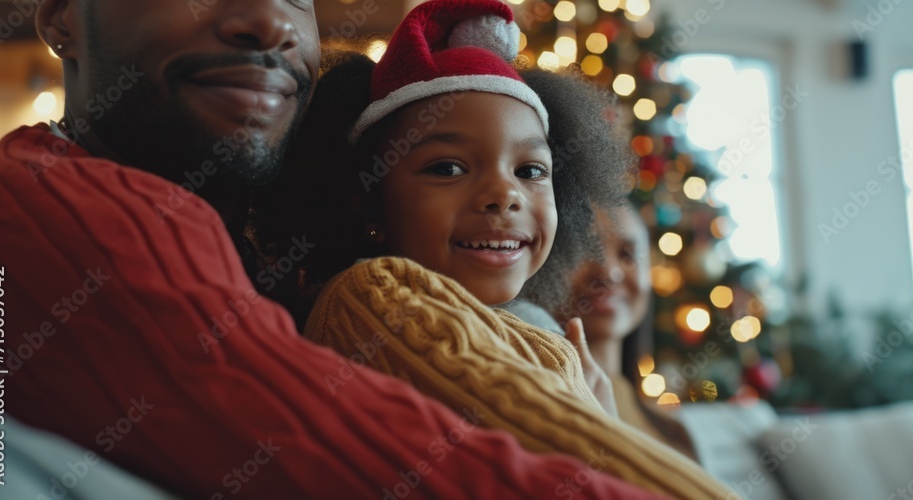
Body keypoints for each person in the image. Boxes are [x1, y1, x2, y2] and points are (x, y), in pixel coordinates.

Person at [0, 0, 662, 497]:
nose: (270, 22)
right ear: (62, 16)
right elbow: (339, 445)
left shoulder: (260, 261)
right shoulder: (47, 213)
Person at [252, 1, 732, 497]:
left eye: (530, 171)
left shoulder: (530, 321)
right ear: (368, 206)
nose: (505, 195)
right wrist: (599, 424)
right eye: (448, 168)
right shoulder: (369, 297)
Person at [558, 204, 701, 461]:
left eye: (627, 255)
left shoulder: (674, 432)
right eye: (585, 250)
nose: (609, 272)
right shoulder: (549, 408)